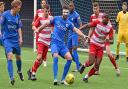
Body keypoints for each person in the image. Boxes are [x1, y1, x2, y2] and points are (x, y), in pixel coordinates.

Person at [35, 6, 87, 85]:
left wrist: (83, 36)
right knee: (55, 56)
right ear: (62, 12)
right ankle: (55, 79)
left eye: (66, 12)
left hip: (62, 45)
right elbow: (46, 23)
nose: (65, 14)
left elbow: (76, 30)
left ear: (68, 13)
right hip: (54, 43)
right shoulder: (56, 18)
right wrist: (38, 29)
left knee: (69, 58)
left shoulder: (69, 23)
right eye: (64, 12)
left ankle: (63, 79)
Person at [79, 14, 114, 82]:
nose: (103, 19)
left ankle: (86, 77)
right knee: (91, 62)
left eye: (105, 19)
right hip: (93, 44)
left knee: (97, 66)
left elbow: (112, 41)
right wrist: (79, 29)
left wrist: (107, 40)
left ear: (108, 20)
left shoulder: (110, 28)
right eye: (103, 18)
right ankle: (84, 65)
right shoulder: (97, 22)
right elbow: (87, 25)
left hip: (100, 47)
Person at [88, 2, 120, 75]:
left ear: (99, 8)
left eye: (96, 8)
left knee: (109, 53)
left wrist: (108, 37)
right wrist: (88, 37)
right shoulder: (92, 16)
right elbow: (91, 28)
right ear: (92, 9)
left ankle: (116, 68)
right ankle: (97, 70)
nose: (95, 10)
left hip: (105, 37)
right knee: (95, 54)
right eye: (94, 8)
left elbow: (109, 26)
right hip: (96, 38)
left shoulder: (103, 16)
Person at [27, 5, 53, 81]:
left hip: (48, 42)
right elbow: (33, 26)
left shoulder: (51, 18)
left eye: (48, 11)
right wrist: (36, 29)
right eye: (46, 11)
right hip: (41, 40)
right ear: (43, 10)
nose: (47, 12)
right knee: (39, 57)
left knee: (41, 61)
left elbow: (54, 26)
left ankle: (31, 71)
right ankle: (33, 74)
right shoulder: (40, 18)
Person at [1, 0, 24, 85]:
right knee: (10, 56)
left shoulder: (18, 15)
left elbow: (19, 27)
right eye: (19, 8)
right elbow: (0, 23)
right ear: (14, 7)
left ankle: (19, 71)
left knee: (18, 57)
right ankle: (12, 78)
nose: (20, 9)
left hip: (15, 40)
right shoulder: (5, 15)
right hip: (7, 39)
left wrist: (20, 38)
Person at [67, 1, 82, 72]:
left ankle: (78, 68)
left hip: (75, 34)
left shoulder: (77, 15)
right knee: (69, 52)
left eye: (71, 6)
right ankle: (78, 63)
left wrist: (79, 35)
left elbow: (81, 25)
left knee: (74, 50)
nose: (70, 7)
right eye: (69, 6)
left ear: (74, 7)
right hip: (70, 34)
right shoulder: (68, 14)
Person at [32, 0, 48, 67]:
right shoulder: (38, 11)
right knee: (39, 47)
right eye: (42, 3)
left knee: (45, 46)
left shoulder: (47, 12)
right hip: (39, 31)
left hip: (46, 32)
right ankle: (38, 59)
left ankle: (44, 60)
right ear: (41, 4)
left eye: (44, 3)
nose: (43, 4)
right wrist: (35, 30)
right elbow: (34, 21)